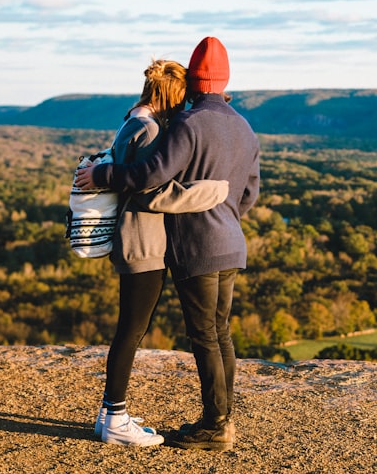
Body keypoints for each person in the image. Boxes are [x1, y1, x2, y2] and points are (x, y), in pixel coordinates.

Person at [76, 37, 260, 451]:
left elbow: (149, 176)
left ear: (194, 80)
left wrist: (104, 176)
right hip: (231, 241)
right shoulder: (245, 127)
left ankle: (214, 427)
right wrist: (225, 214)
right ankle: (222, 420)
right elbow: (249, 194)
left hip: (197, 245)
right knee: (221, 334)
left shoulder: (189, 124)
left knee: (205, 338)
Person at [95, 59, 224, 447]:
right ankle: (114, 418)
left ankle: (110, 414)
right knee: (131, 330)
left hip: (132, 238)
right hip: (143, 242)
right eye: (182, 98)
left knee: (130, 329)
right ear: (171, 94)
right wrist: (213, 192)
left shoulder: (132, 121)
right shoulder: (150, 130)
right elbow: (153, 192)